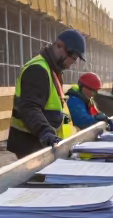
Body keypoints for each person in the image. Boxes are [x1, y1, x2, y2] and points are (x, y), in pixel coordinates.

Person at [8, 28, 86, 158]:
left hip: (45, 144)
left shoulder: (52, 70)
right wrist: (45, 132)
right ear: (59, 45)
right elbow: (29, 107)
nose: (72, 63)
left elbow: (59, 109)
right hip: (33, 144)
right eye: (73, 57)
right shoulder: (37, 69)